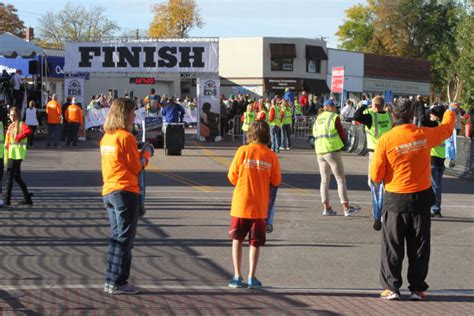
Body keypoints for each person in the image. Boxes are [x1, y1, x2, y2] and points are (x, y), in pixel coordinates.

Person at [370, 98, 457, 301]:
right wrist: (451, 111)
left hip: (395, 199)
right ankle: (418, 288)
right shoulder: (423, 135)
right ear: (412, 116)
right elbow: (446, 129)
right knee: (419, 245)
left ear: (394, 116)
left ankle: (391, 287)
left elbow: (376, 175)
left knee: (392, 245)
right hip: (420, 198)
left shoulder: (386, 139)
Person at [100, 97, 154, 295]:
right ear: (125, 114)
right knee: (125, 239)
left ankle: (111, 278)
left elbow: (123, 160)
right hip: (125, 190)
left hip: (110, 189)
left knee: (116, 237)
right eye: (133, 111)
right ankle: (119, 282)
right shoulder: (125, 137)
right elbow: (136, 166)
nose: (135, 115)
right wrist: (146, 154)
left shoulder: (107, 137)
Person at [227, 120, 281, 288]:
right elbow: (276, 180)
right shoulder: (271, 155)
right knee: (255, 242)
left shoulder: (242, 151)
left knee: (237, 239)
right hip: (259, 206)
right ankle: (252, 276)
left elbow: (232, 176)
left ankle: (237, 275)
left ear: (250, 134)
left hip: (241, 204)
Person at [312, 99, 360, 217]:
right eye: (334, 106)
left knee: (324, 180)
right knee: (340, 179)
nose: (336, 108)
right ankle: (346, 207)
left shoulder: (318, 118)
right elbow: (341, 133)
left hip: (320, 151)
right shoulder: (334, 117)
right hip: (332, 150)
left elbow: (314, 133)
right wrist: (344, 144)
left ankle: (326, 208)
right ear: (330, 107)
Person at [354, 96, 392, 229]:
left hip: (375, 153)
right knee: (386, 184)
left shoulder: (371, 118)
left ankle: (378, 214)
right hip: (388, 153)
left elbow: (356, 116)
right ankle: (386, 211)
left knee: (374, 184)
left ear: (374, 106)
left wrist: (365, 105)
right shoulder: (389, 116)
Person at [4, 107, 33, 206]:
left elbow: (28, 131)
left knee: (9, 177)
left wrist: (19, 136)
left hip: (17, 154)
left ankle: (7, 199)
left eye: (14, 115)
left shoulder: (21, 124)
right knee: (16, 177)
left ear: (18, 115)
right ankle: (27, 197)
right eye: (11, 115)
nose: (13, 117)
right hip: (12, 154)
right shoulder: (11, 126)